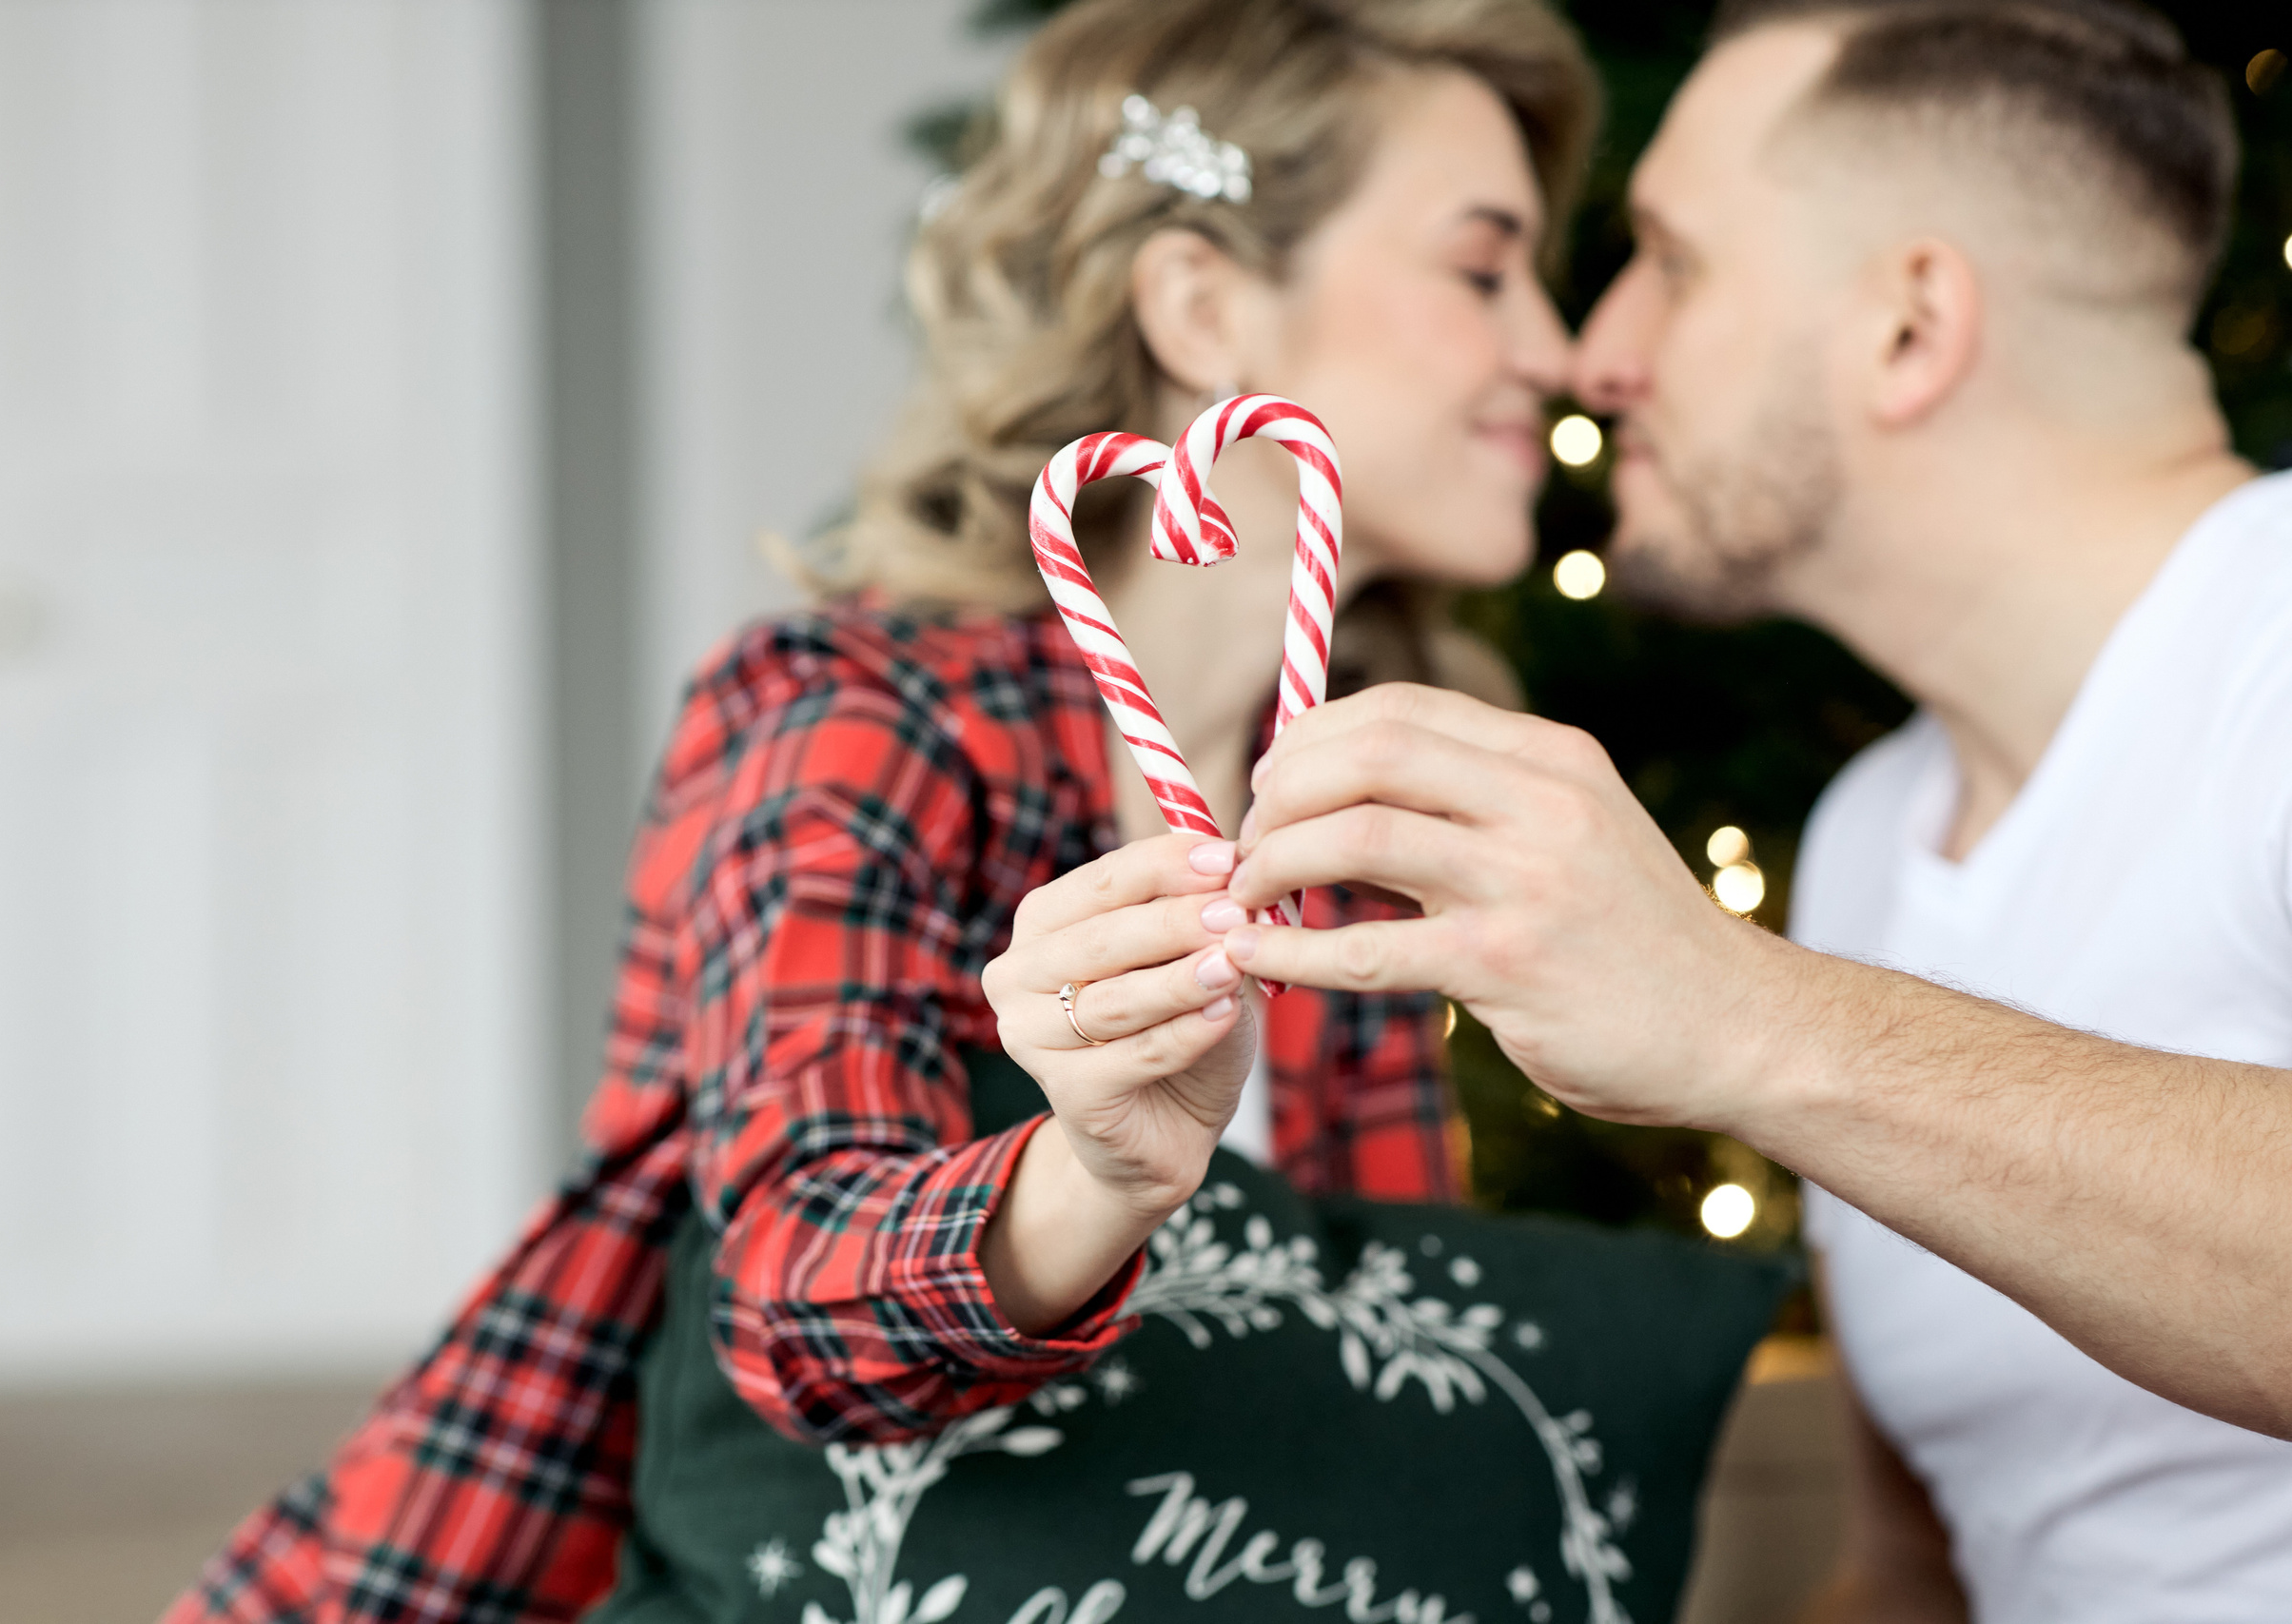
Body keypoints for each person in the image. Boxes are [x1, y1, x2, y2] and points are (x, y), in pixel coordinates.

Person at [166, 1, 1595, 1617]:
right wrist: (1096, 1173)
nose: (1553, 348)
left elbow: (1369, 1374)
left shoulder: (1365, 823)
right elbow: (792, 1297)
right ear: (1204, 304)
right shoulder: (851, 719)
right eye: (1485, 268)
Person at [1210, 0, 2292, 1618]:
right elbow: (1919, 1570)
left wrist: (1746, 1017)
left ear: (1910, 326)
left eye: (1674, 258)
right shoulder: (1867, 838)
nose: (1594, 351)